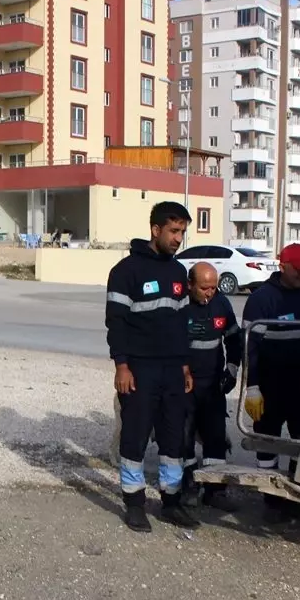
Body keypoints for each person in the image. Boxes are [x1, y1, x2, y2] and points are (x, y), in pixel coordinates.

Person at [105, 202, 196, 533]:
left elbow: (182, 324)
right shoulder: (126, 271)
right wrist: (122, 366)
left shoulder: (177, 273)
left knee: (174, 439)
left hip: (173, 370)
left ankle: (171, 502)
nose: (178, 239)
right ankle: (134, 503)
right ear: (155, 230)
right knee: (135, 436)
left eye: (182, 232)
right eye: (173, 231)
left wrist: (185, 366)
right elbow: (116, 324)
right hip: (140, 369)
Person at [240, 242, 300, 493]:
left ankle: (299, 492)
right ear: (283, 266)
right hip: (270, 383)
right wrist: (252, 386)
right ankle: (270, 496)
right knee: (268, 439)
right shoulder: (262, 299)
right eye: (298, 269)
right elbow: (249, 347)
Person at [181, 262, 243, 508]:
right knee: (183, 437)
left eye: (214, 288)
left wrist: (232, 369)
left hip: (213, 384)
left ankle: (215, 490)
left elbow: (234, 339)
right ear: (190, 285)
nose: (210, 293)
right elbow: (169, 345)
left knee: (215, 436)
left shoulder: (221, 303)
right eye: (204, 288)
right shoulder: (180, 306)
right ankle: (188, 484)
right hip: (185, 385)